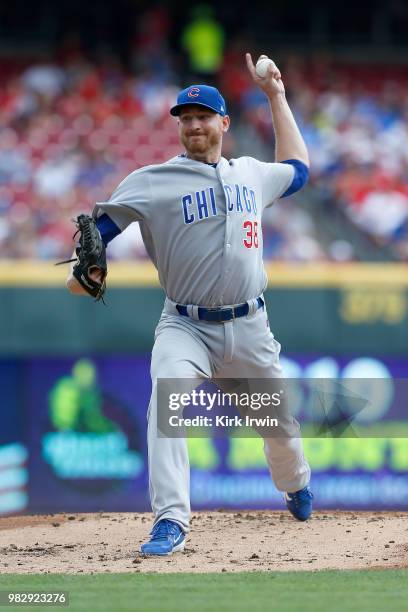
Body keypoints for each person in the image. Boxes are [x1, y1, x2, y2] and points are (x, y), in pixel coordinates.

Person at [67, 54, 313, 556]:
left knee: (282, 432)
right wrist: (84, 270)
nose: (193, 124)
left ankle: (296, 486)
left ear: (223, 123)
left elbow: (299, 170)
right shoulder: (152, 180)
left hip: (250, 327)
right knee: (168, 400)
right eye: (185, 118)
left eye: (202, 116)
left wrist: (276, 96)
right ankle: (171, 519)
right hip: (185, 325)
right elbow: (99, 233)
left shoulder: (250, 174)